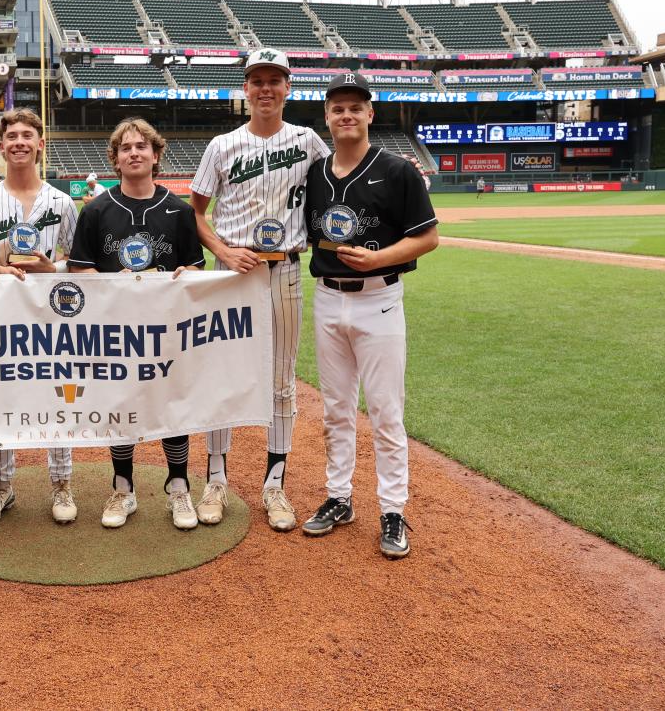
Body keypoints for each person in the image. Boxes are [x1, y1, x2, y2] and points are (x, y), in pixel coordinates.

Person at [189, 47, 331, 532]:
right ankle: (216, 479)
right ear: (246, 89)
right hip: (229, 275)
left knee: (281, 379)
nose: (266, 88)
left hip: (284, 271)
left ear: (288, 88)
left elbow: (335, 191)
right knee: (220, 376)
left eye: (275, 80)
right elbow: (197, 213)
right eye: (257, 80)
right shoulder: (222, 146)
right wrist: (224, 252)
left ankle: (274, 485)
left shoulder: (310, 141)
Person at [302, 71, 438, 559]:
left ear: (369, 114)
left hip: (379, 298)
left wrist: (381, 258)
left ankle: (393, 510)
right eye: (338, 108)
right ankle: (340, 499)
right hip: (327, 297)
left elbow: (428, 236)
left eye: (355, 107)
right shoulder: (315, 173)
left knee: (384, 412)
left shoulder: (398, 170)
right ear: (327, 117)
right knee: (336, 409)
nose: (346, 115)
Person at [69, 118, 205, 531]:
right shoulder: (96, 210)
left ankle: (178, 486)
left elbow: (194, 268)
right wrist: (116, 285)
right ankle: (123, 487)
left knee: (171, 403)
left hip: (166, 327)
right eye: (125, 148)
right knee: (121, 405)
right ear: (115, 159)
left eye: (141, 146)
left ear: (156, 154)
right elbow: (79, 269)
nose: (133, 153)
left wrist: (179, 277)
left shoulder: (179, 212)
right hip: (117, 329)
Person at [0, 108, 80, 525]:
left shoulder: (62, 202)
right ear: (2, 145)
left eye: (28, 135)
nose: (20, 142)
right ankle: (1, 485)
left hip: (53, 315)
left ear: (40, 144)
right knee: (1, 396)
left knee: (60, 394)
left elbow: (79, 264)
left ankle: (62, 484)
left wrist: (52, 269)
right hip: (0, 313)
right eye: (12, 136)